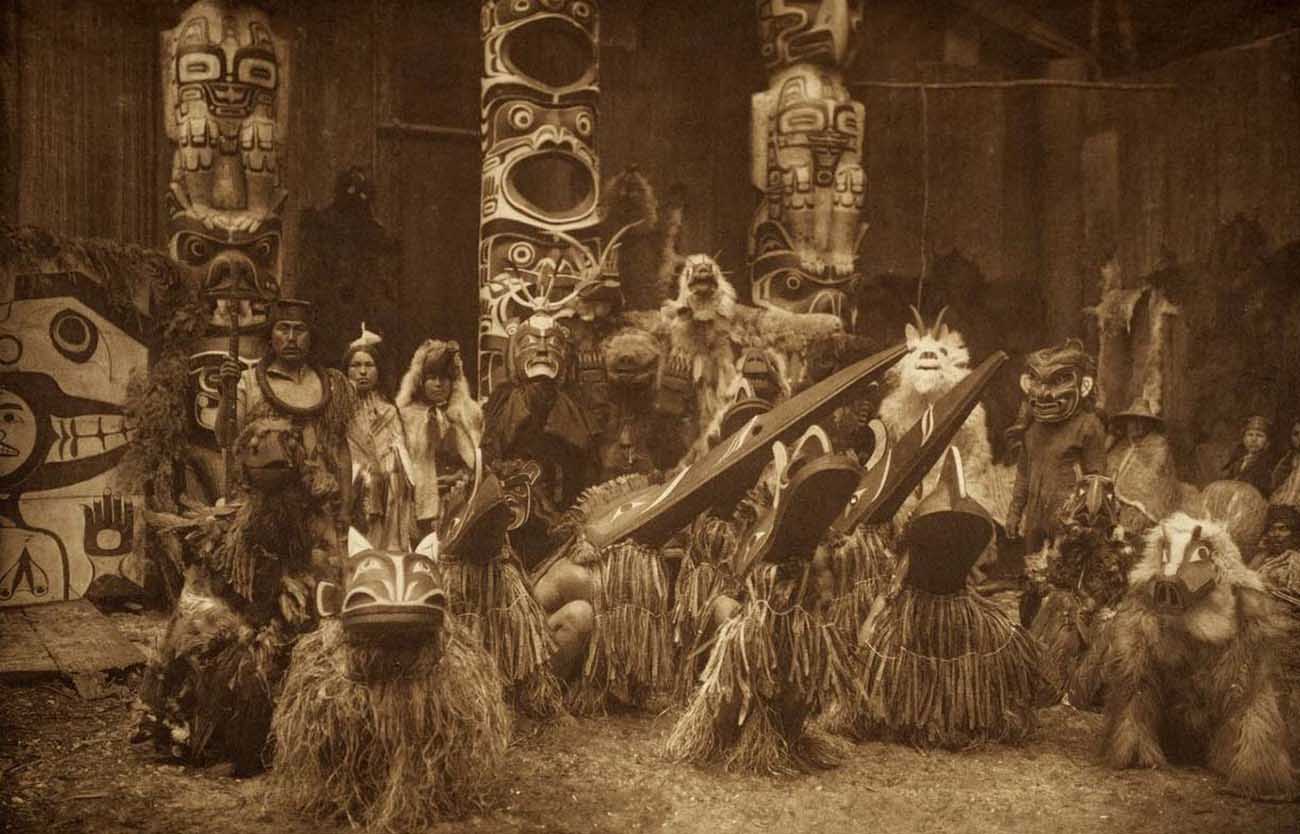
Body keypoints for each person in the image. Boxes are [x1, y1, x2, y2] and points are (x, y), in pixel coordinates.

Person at [218, 298, 354, 547]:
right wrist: (227, 393)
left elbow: (341, 448)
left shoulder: (332, 386)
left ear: (311, 337)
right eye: (283, 328)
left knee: (324, 577)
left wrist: (345, 505)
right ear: (270, 336)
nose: (291, 337)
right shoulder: (248, 383)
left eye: (299, 329)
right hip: (262, 510)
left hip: (318, 509)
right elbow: (226, 438)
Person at [395, 339, 482, 537]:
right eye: (431, 377)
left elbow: (477, 458)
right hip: (421, 503)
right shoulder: (405, 416)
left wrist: (463, 477)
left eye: (445, 377)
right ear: (419, 380)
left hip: (461, 500)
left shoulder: (468, 414)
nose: (438, 383)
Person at [343, 324, 416, 552]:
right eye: (355, 365)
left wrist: (387, 470)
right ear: (346, 370)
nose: (362, 371)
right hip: (350, 488)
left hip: (386, 495)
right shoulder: (338, 411)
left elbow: (401, 454)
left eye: (369, 365)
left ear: (378, 370)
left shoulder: (389, 411)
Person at [1105, 400, 1179, 536]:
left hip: (1143, 505)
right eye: (1133, 421)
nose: (1138, 426)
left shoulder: (1158, 446)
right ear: (1127, 423)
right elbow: (1108, 471)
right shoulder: (1122, 444)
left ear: (1149, 424)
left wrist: (1126, 500)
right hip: (1113, 501)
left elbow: (1151, 480)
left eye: (1142, 421)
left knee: (1131, 526)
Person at [1223, 415, 1275, 496]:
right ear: (1244, 439)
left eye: (1259, 435)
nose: (1254, 439)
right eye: (1250, 435)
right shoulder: (1238, 461)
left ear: (1267, 442)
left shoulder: (1267, 464)